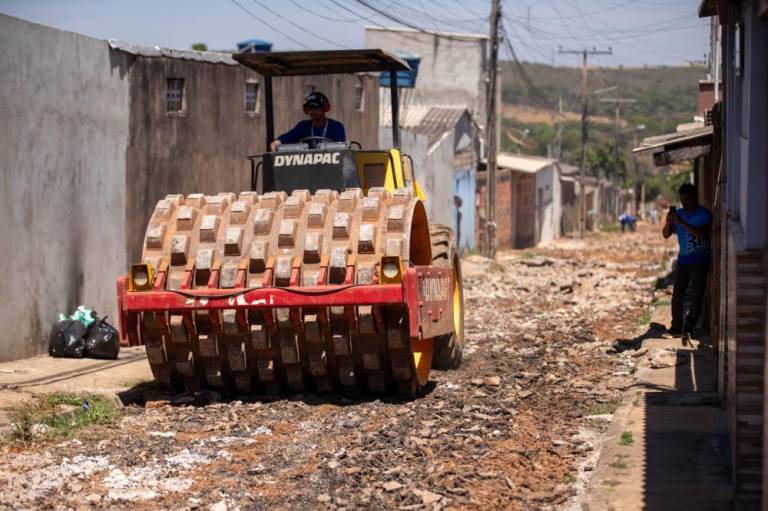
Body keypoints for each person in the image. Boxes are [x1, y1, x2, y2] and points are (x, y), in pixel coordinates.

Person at [662, 183, 711, 339]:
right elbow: (665, 235)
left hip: (700, 261)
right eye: (682, 200)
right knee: (677, 295)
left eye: (687, 199)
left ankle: (689, 327)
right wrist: (669, 222)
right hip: (683, 261)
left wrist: (682, 222)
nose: (684, 203)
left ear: (694, 198)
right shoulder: (679, 214)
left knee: (697, 296)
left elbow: (701, 234)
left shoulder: (703, 214)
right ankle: (676, 327)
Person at [269, 91, 346, 151]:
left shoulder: (336, 127)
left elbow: (342, 148)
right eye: (310, 109)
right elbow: (288, 137)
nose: (312, 111)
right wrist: (277, 142)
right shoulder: (303, 126)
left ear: (324, 108)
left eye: (316, 108)